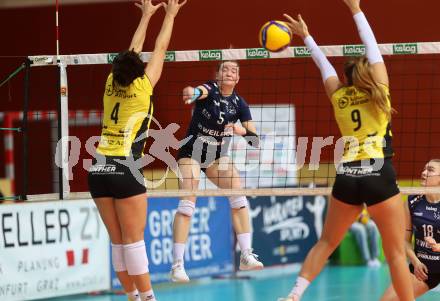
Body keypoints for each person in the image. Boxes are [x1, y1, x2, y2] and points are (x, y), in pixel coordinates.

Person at [278, 0, 414, 300]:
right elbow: (372, 45)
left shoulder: (339, 96)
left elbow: (323, 66)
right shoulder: (380, 91)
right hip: (377, 172)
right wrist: (355, 9)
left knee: (326, 242)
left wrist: (306, 36)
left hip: (348, 175)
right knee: (393, 254)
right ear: (370, 73)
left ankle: (293, 295)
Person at [87, 1, 186, 301]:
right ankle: (148, 297)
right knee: (133, 242)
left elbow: (132, 50)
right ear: (138, 71)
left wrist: (144, 16)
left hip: (98, 169)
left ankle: (131, 295)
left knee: (118, 242)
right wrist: (169, 15)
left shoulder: (109, 83)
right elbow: (161, 47)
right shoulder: (143, 86)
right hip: (125, 168)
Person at [169, 60, 264, 282]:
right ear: (218, 74)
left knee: (238, 194)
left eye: (235, 70)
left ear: (238, 78)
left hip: (215, 157)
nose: (230, 72)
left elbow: (255, 140)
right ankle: (177, 265)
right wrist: (191, 93)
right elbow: (199, 91)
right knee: (188, 199)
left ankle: (246, 254)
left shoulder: (240, 104)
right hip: (191, 152)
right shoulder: (211, 89)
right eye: (225, 69)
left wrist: (241, 130)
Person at [381, 159, 440, 300]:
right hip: (424, 270)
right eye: (424, 169)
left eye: (430, 170)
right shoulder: (412, 201)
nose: (424, 172)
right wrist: (416, 262)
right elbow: (405, 241)